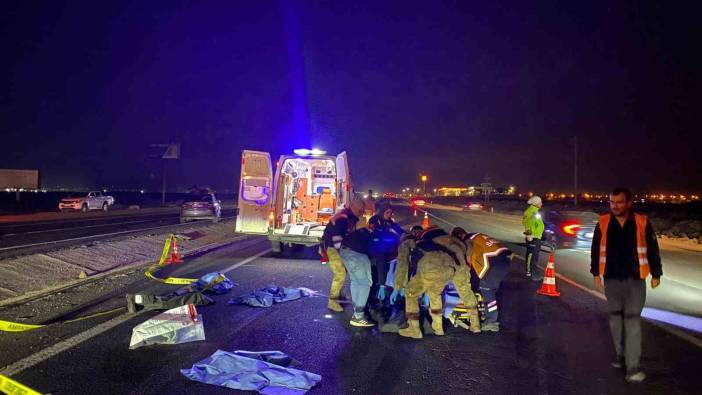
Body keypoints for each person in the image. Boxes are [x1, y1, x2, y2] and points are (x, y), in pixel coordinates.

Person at [590, 188, 662, 383]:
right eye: (612, 202)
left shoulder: (642, 221)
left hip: (635, 281)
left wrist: (657, 273)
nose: (615, 206)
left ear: (629, 203)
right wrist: (595, 273)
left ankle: (633, 368)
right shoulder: (603, 222)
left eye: (619, 202)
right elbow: (596, 249)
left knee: (632, 321)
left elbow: (652, 248)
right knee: (615, 320)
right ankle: (620, 356)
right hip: (611, 280)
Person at [396, 227, 480, 339]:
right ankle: (475, 325)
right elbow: (466, 247)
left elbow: (403, 264)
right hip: (455, 264)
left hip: (437, 264)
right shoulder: (448, 238)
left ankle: (414, 329)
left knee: (411, 292)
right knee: (448, 291)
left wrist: (399, 285)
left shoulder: (412, 242)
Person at [452, 228, 512, 332]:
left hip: (494, 264)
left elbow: (469, 260)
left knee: (487, 290)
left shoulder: (468, 241)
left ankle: (491, 322)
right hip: (504, 260)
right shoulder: (477, 236)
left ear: (459, 237)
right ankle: (489, 313)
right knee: (491, 289)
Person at [322, 199, 366, 313]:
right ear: (354, 208)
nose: (362, 212)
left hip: (337, 247)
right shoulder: (343, 219)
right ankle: (332, 301)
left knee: (343, 272)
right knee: (340, 274)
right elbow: (336, 237)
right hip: (332, 248)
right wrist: (344, 252)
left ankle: (339, 295)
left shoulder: (349, 217)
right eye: (360, 210)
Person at [338, 225, 375, 327]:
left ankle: (356, 313)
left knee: (355, 281)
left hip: (345, 251)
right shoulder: (374, 234)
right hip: (356, 254)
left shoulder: (361, 232)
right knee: (364, 283)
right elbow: (379, 255)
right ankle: (358, 317)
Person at [368, 202, 404, 305]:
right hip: (376, 249)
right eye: (387, 212)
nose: (389, 215)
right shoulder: (375, 220)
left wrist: (406, 235)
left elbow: (399, 230)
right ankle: (376, 294)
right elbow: (373, 231)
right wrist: (384, 234)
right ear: (382, 211)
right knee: (378, 267)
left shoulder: (390, 222)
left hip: (389, 249)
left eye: (390, 213)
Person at [523, 195, 544, 280]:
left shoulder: (536, 211)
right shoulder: (530, 211)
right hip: (532, 237)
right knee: (531, 256)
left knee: (535, 256)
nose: (541, 204)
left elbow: (537, 224)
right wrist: (529, 234)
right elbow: (526, 223)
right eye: (540, 202)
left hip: (537, 237)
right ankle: (530, 272)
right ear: (536, 203)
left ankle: (533, 272)